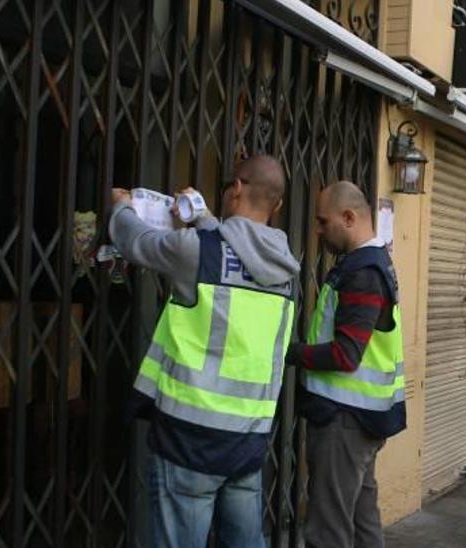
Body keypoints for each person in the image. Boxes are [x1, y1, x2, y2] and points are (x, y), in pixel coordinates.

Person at [110, 155, 300, 548]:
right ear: (277, 206)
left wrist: (121, 208)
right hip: (248, 441)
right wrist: (205, 219)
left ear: (236, 189)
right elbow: (239, 260)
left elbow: (137, 242)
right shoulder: (286, 273)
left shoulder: (196, 251)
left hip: (189, 443)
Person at [291, 181, 405, 548]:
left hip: (345, 422)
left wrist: (288, 353)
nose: (319, 230)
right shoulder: (371, 264)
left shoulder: (364, 273)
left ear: (349, 217)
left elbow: (345, 355)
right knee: (361, 521)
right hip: (361, 418)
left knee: (329, 530)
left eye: (324, 222)